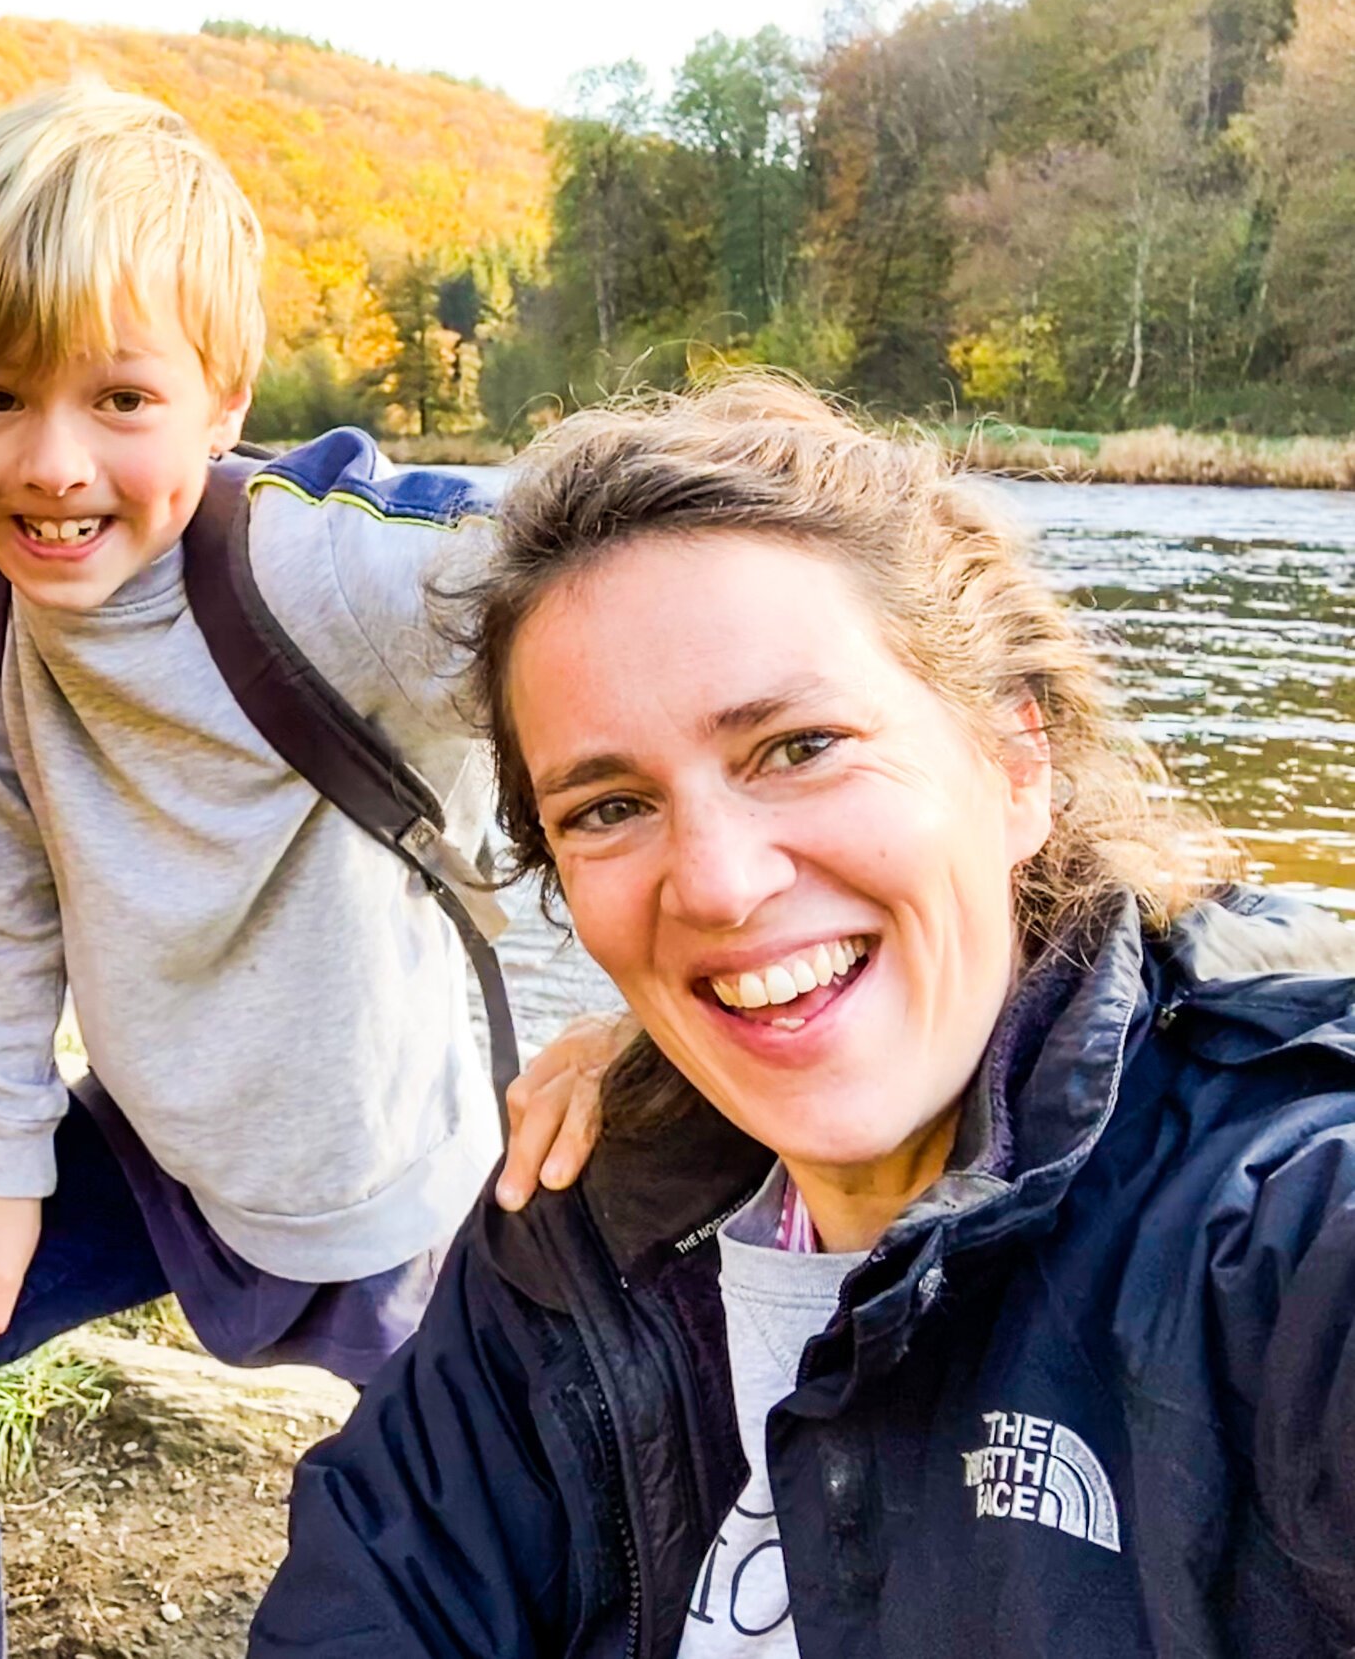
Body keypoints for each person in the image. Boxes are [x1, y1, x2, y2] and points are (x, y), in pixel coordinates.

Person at [250, 375, 1355, 1657]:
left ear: (1014, 766)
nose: (718, 884)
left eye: (799, 747)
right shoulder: (579, 1229)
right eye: (608, 808)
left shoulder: (1279, 1243)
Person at [0, 80, 603, 1659]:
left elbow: (625, 604)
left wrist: (651, 1027)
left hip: (395, 1194)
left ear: (225, 401)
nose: (51, 464)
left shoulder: (335, 566)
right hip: (154, 1147)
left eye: (123, 401)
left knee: (472, 1559)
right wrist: (5, 1159)